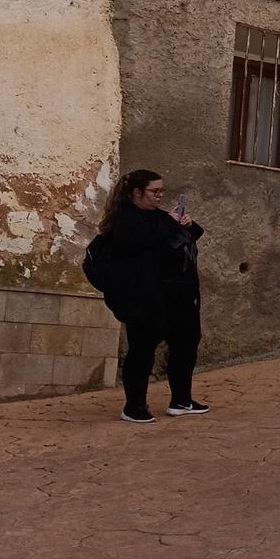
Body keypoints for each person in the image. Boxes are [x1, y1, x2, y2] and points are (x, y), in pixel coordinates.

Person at [86, 169, 206, 423]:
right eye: (155, 191)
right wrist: (171, 222)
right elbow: (142, 239)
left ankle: (181, 400)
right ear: (136, 193)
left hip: (177, 298)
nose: (160, 196)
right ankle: (134, 407)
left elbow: (187, 236)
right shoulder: (124, 221)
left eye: (162, 191)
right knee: (142, 352)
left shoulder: (158, 218)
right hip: (146, 299)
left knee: (185, 346)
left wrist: (187, 224)